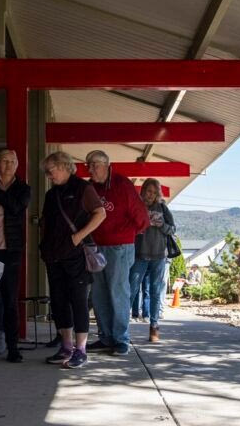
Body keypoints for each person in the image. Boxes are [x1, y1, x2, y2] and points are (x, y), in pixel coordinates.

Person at [40, 152, 106, 369]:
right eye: (47, 172)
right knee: (59, 302)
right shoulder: (51, 194)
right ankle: (66, 346)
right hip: (54, 255)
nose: (49, 176)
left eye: (51, 171)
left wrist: (79, 236)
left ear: (64, 166)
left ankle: (81, 349)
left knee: (78, 301)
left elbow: (100, 213)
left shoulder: (82, 188)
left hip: (76, 256)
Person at [86, 150, 149, 356]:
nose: (91, 169)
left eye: (95, 165)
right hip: (96, 247)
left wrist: (127, 235)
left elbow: (141, 217)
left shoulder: (122, 185)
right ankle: (105, 337)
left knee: (118, 292)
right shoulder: (90, 187)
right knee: (99, 294)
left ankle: (121, 339)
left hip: (119, 247)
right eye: (89, 165)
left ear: (106, 165)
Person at [0, 149, 30, 363]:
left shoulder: (23, 189)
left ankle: (13, 347)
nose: (8, 164)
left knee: (10, 300)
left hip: (10, 251)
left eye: (12, 161)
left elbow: (15, 207)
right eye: (3, 160)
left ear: (17, 165)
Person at [130, 178, 175, 342]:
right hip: (139, 254)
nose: (151, 195)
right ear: (143, 191)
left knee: (156, 291)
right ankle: (122, 327)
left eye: (155, 192)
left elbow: (172, 229)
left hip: (158, 255)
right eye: (149, 191)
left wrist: (161, 224)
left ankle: (154, 327)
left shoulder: (162, 207)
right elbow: (128, 227)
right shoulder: (136, 206)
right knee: (132, 289)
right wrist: (142, 223)